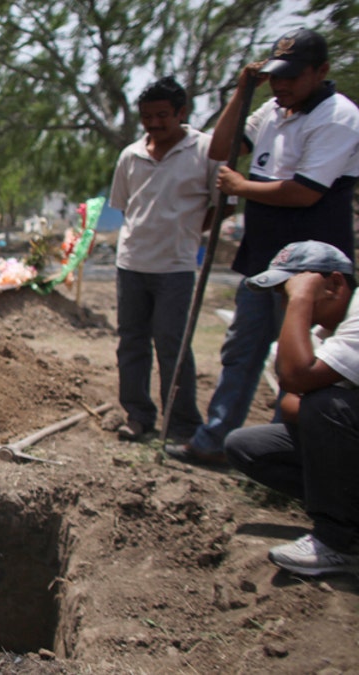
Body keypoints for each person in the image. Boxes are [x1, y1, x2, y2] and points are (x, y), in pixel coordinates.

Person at [167, 27, 359, 465]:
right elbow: (220, 147)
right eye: (275, 76)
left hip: (312, 268)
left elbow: (306, 191)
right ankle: (214, 439)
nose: (282, 85)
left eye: (292, 76)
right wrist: (241, 93)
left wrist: (241, 186)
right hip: (263, 257)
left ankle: (283, 451)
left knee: (298, 359)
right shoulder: (270, 111)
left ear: (321, 71)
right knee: (242, 349)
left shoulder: (338, 117)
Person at [223, 240, 359, 576]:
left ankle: (340, 542)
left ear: (335, 284)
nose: (284, 304)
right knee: (246, 446)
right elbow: (290, 403)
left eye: (290, 291)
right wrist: (310, 391)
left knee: (326, 404)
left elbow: (301, 383)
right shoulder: (318, 334)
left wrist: (301, 300)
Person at [108, 76, 219, 442]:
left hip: (176, 267)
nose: (154, 124)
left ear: (182, 113)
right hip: (132, 264)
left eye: (162, 116)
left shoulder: (206, 150)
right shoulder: (131, 155)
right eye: (147, 117)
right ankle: (138, 415)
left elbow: (219, 209)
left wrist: (184, 236)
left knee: (173, 345)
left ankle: (182, 423)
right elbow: (126, 206)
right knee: (131, 343)